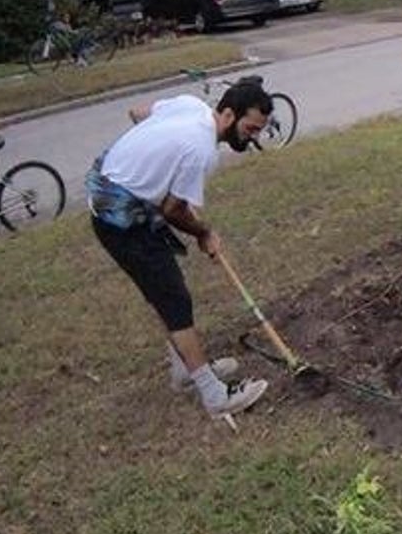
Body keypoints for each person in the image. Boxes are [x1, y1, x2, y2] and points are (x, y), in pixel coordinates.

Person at [87, 79, 275, 425]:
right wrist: (204, 232)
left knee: (167, 295)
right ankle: (214, 396)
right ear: (229, 114)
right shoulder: (200, 149)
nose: (252, 138)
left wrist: (155, 155)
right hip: (119, 216)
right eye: (250, 129)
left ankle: (185, 370)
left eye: (258, 132)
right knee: (174, 300)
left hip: (113, 191)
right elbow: (174, 210)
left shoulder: (190, 106)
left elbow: (138, 113)